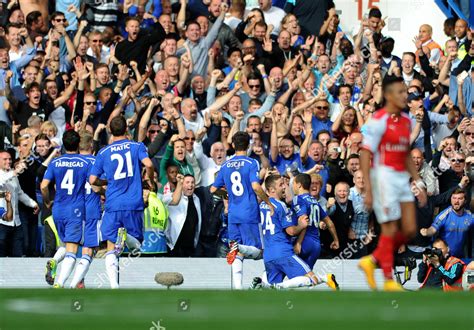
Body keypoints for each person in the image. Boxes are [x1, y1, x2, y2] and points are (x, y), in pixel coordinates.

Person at [359, 75, 427, 291]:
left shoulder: (407, 121)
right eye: (400, 92)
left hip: (401, 179)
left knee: (409, 229)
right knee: (389, 229)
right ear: (388, 95)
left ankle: (371, 260)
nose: (404, 96)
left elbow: (406, 152)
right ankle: (388, 281)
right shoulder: (378, 120)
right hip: (383, 178)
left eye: (405, 92)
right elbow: (364, 153)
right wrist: (368, 189)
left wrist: (418, 181)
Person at [89, 116, 155, 289]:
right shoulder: (137, 146)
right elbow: (148, 164)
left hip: (113, 203)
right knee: (137, 246)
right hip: (133, 202)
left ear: (110, 131)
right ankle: (126, 237)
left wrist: (105, 183)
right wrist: (150, 178)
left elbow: (92, 179)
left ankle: (113, 287)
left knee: (110, 245)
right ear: (127, 129)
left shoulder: (103, 152)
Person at [210, 131, 273, 290]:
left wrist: (228, 194)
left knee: (237, 253)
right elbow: (255, 186)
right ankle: (240, 249)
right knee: (260, 251)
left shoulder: (225, 165)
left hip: (233, 215)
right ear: (248, 145)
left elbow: (212, 189)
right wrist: (268, 202)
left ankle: (237, 289)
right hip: (249, 214)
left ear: (232, 145)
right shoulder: (252, 163)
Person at [252, 174, 338, 290]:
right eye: (281, 185)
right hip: (284, 252)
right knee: (312, 279)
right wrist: (301, 226)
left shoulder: (261, 205)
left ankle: (263, 285)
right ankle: (324, 278)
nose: (285, 187)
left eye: (286, 184)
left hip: (268, 254)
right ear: (271, 190)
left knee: (272, 291)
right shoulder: (281, 205)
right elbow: (291, 231)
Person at [41, 130, 90, 288]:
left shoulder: (55, 162)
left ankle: (54, 262)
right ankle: (60, 284)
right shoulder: (84, 163)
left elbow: (43, 186)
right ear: (78, 144)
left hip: (58, 209)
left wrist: (48, 202)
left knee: (65, 244)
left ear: (63, 143)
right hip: (75, 209)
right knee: (72, 249)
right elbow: (94, 182)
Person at [68, 133, 103, 289]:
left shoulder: (69, 162)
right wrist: (106, 192)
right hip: (91, 209)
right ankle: (78, 281)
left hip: (71, 209)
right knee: (88, 248)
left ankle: (56, 262)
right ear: (91, 147)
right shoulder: (96, 162)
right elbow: (96, 186)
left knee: (71, 246)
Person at [292, 173, 339, 271]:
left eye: (294, 184)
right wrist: (336, 240)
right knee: (307, 276)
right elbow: (329, 222)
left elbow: (304, 221)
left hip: (305, 242)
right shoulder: (315, 201)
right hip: (316, 245)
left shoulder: (298, 199)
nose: (292, 186)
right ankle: (326, 279)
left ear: (299, 185)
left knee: (294, 273)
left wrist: (299, 243)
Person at [420, 188, 473, 258]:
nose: (456, 201)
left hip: (459, 258)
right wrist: (427, 232)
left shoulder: (469, 216)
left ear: (465, 201)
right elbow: (433, 229)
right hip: (443, 258)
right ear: (451, 199)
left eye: (460, 198)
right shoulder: (445, 215)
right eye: (454, 198)